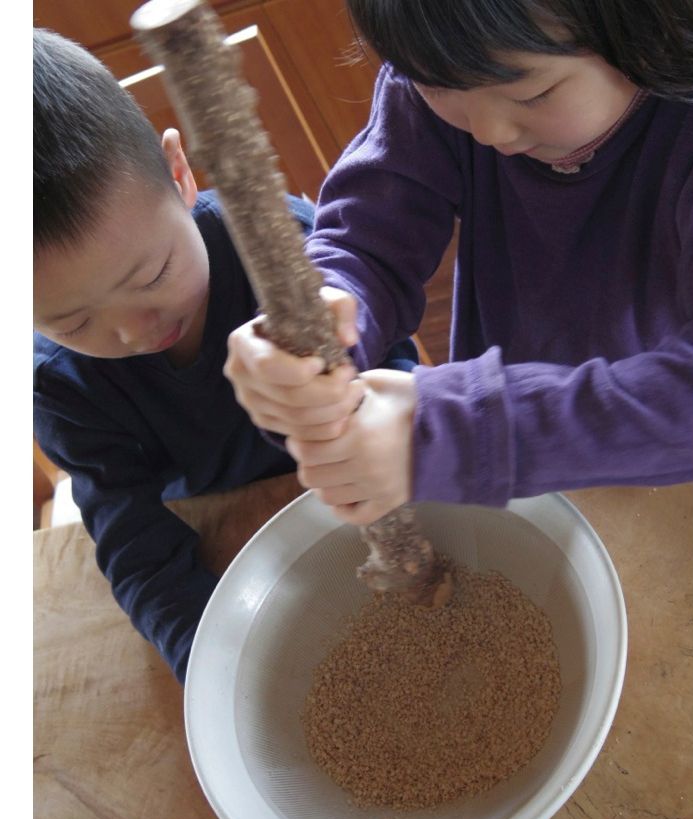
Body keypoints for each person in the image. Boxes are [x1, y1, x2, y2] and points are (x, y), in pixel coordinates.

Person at [33, 28, 418, 684]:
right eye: (72, 319)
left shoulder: (282, 248)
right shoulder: (60, 385)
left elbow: (393, 372)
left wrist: (394, 436)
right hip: (226, 536)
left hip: (359, 487)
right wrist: (214, 668)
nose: (130, 331)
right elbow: (137, 545)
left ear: (180, 175)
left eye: (151, 275)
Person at [223, 0, 693, 527]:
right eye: (435, 90)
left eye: (532, 94)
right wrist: (319, 322)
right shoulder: (445, 59)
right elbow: (369, 239)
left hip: (669, 461)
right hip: (505, 465)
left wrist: (465, 433)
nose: (489, 132)